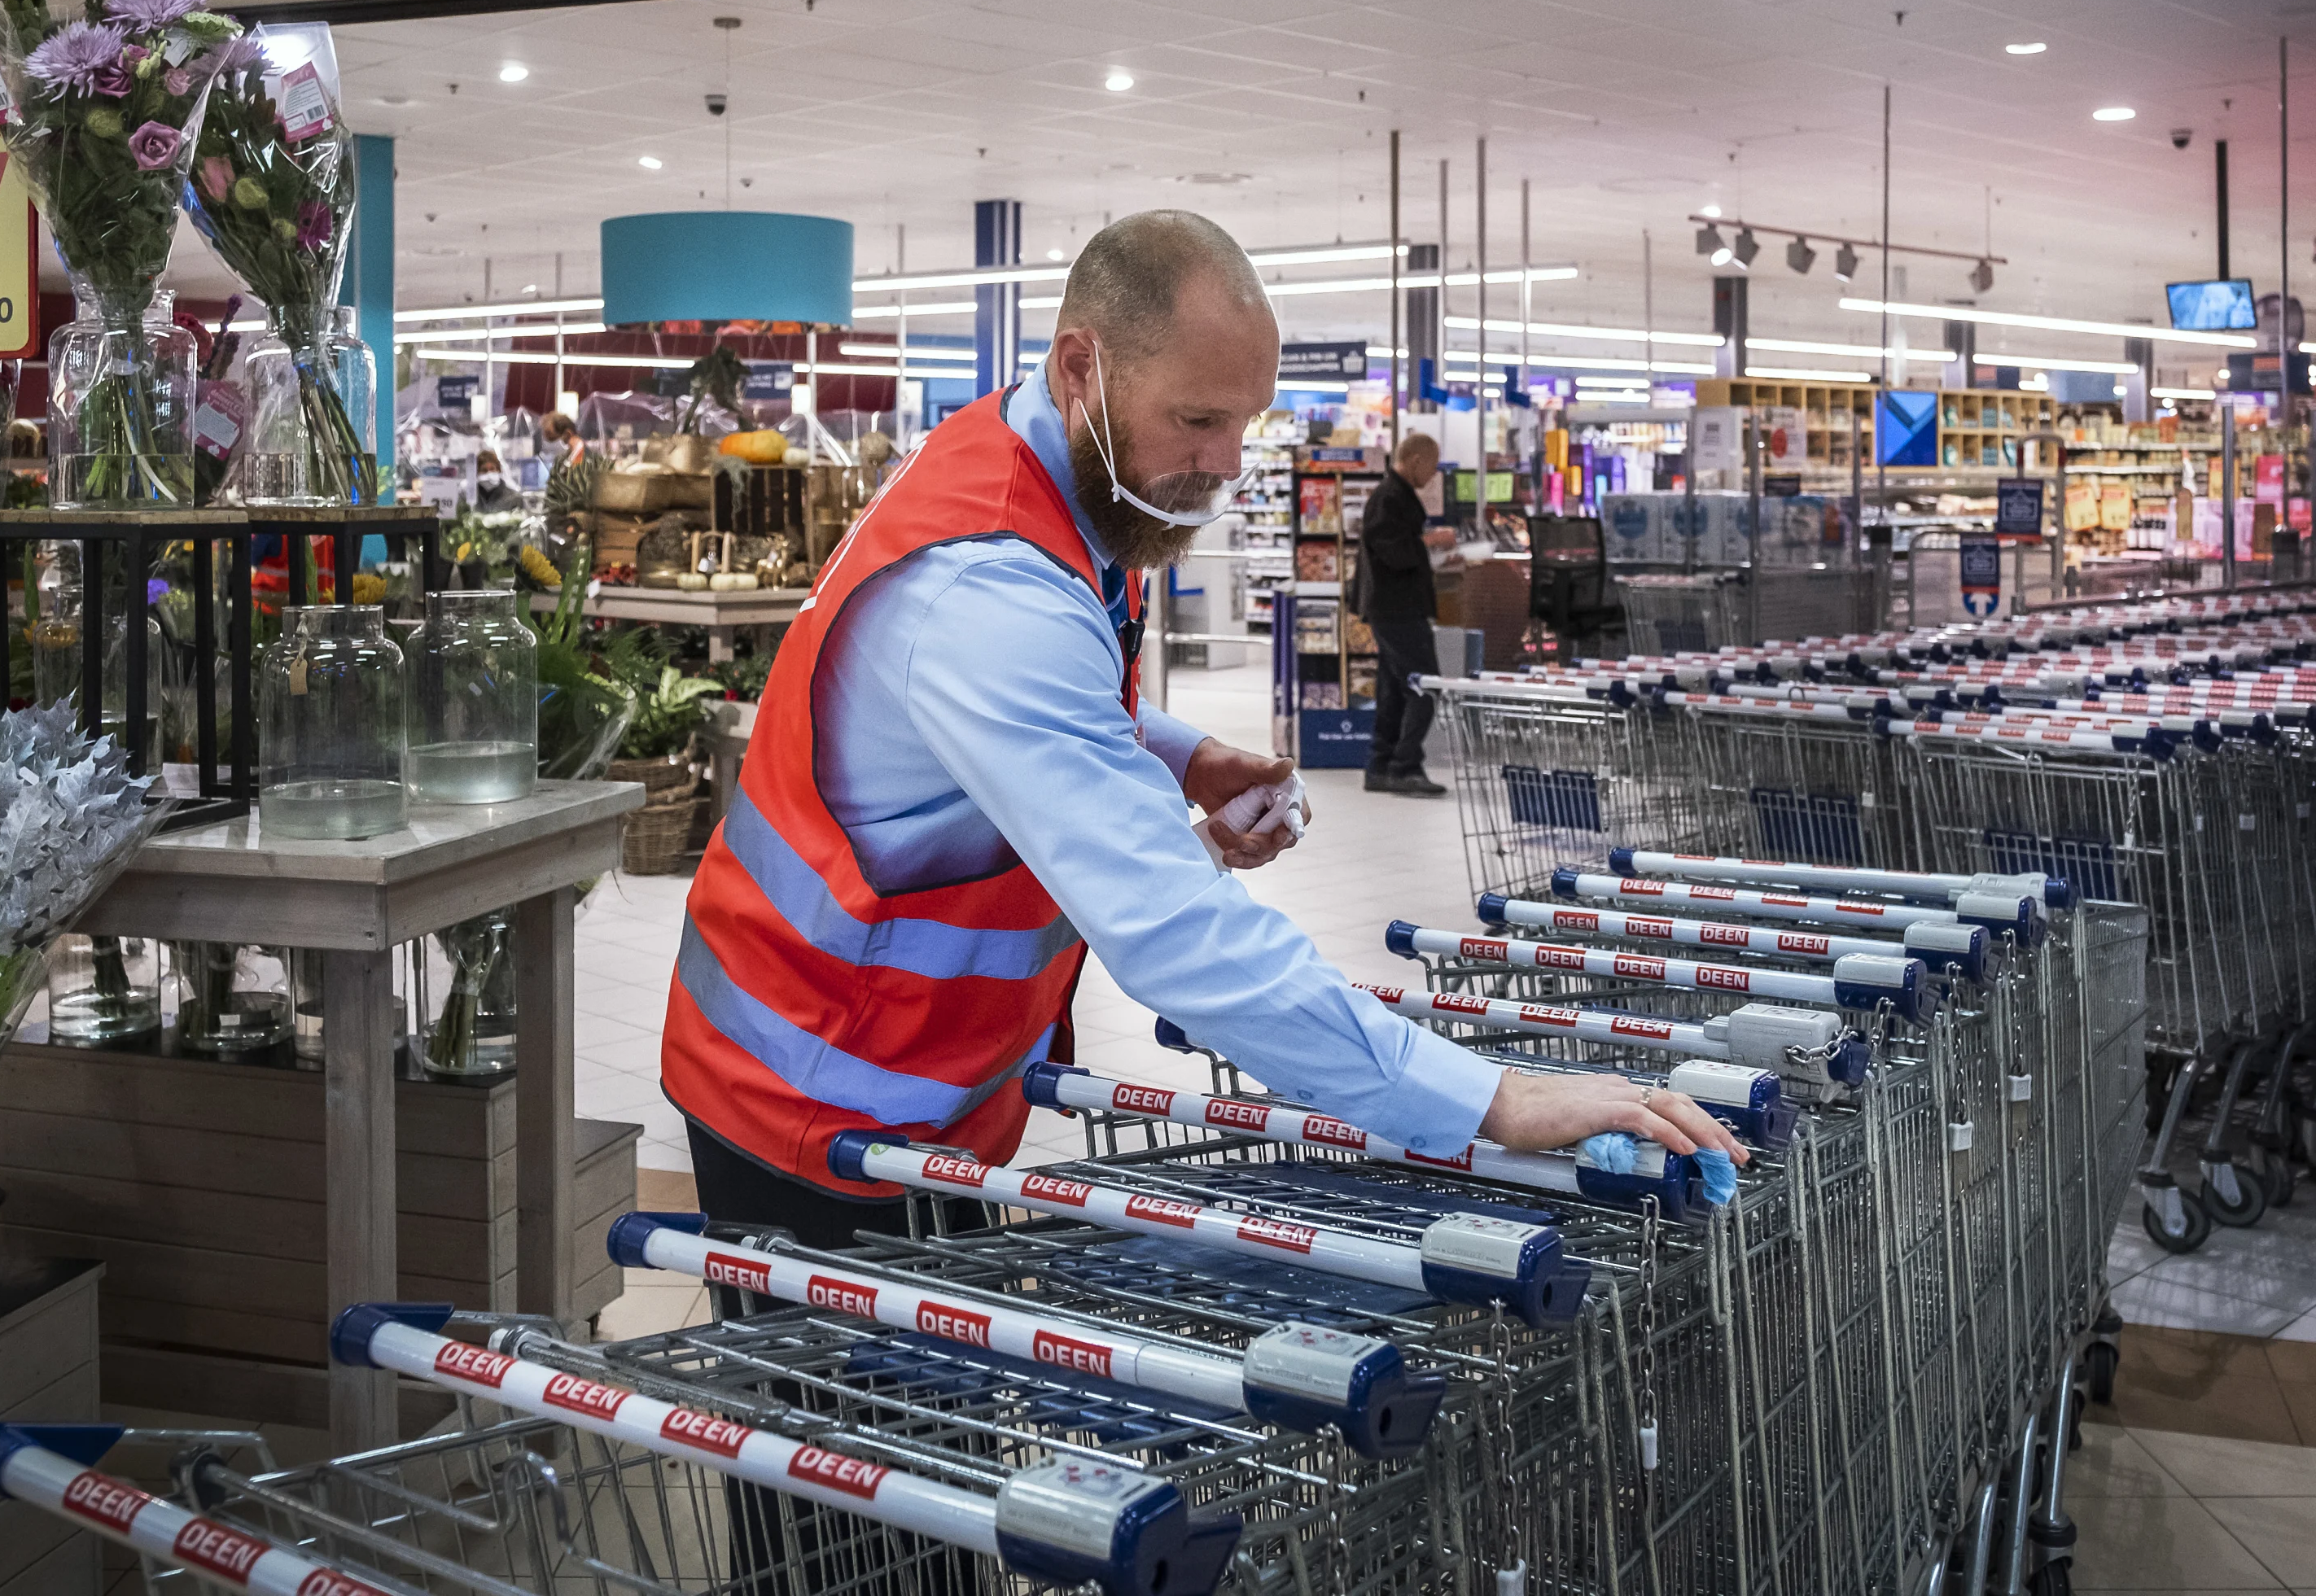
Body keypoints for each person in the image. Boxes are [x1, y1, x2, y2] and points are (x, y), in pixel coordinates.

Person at [659, 210, 1741, 1246]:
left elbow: (1027, 698)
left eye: (1246, 421)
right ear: (1083, 368)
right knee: (852, 1424)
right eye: (1197, 420)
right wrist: (1488, 1099)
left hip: (903, 1073)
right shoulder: (989, 584)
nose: (1230, 462)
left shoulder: (1038, 474)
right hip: (814, 1090)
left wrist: (1178, 756)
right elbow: (1175, 932)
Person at [1359, 431, 1456, 796]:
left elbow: (1401, 552)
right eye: (1431, 466)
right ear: (1416, 459)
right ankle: (1405, 766)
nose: (1432, 475)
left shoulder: (1396, 496)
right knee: (1425, 686)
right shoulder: (1390, 497)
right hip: (1396, 609)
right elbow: (1394, 552)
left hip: (1396, 607)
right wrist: (1432, 541)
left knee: (1396, 690)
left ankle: (1380, 764)